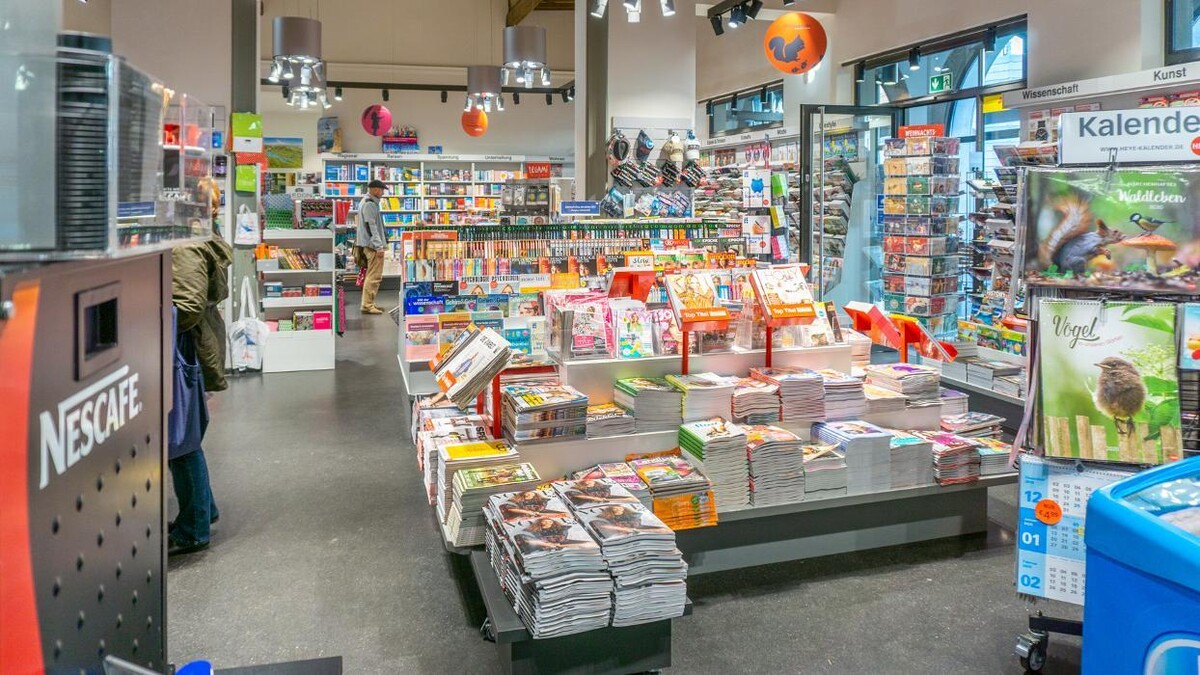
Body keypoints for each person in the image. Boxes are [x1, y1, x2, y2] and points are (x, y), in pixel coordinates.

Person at [168, 179, 233, 555]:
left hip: (184, 348)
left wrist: (154, 323)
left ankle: (194, 528)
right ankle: (202, 511)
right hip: (191, 345)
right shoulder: (200, 234)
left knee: (182, 440)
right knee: (184, 434)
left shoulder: (185, 243)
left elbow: (189, 306)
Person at [355, 179, 388, 314]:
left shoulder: (366, 202)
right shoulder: (369, 204)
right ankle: (368, 305)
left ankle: (369, 303)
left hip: (368, 244)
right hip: (372, 246)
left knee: (372, 275)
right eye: (381, 190)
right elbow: (371, 227)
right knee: (374, 276)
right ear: (375, 190)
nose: (382, 193)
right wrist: (378, 246)